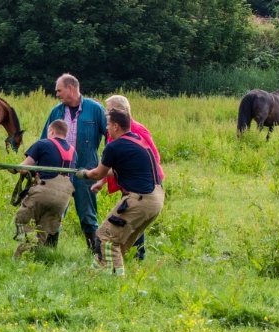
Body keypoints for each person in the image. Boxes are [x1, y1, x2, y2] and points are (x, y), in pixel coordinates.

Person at [77, 109, 165, 276]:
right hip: (156, 198)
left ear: (116, 126)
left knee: (105, 236)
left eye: (108, 124)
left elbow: (98, 174)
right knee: (121, 242)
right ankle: (97, 274)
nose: (107, 128)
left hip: (139, 199)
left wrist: (83, 173)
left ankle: (114, 281)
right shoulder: (137, 140)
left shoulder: (115, 146)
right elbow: (119, 171)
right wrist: (95, 172)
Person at [41, 73, 108, 252]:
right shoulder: (56, 111)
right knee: (54, 210)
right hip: (59, 171)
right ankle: (49, 251)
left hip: (85, 170)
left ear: (71, 88)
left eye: (59, 90)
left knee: (87, 213)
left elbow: (110, 136)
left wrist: (107, 163)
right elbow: (45, 140)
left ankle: (94, 251)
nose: (57, 94)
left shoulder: (95, 109)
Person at [12, 119, 75, 257]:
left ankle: (23, 252)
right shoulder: (73, 151)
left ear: (51, 131)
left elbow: (24, 168)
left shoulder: (43, 143)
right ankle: (33, 257)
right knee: (43, 230)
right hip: (64, 198)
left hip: (45, 190)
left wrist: (14, 169)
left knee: (21, 219)